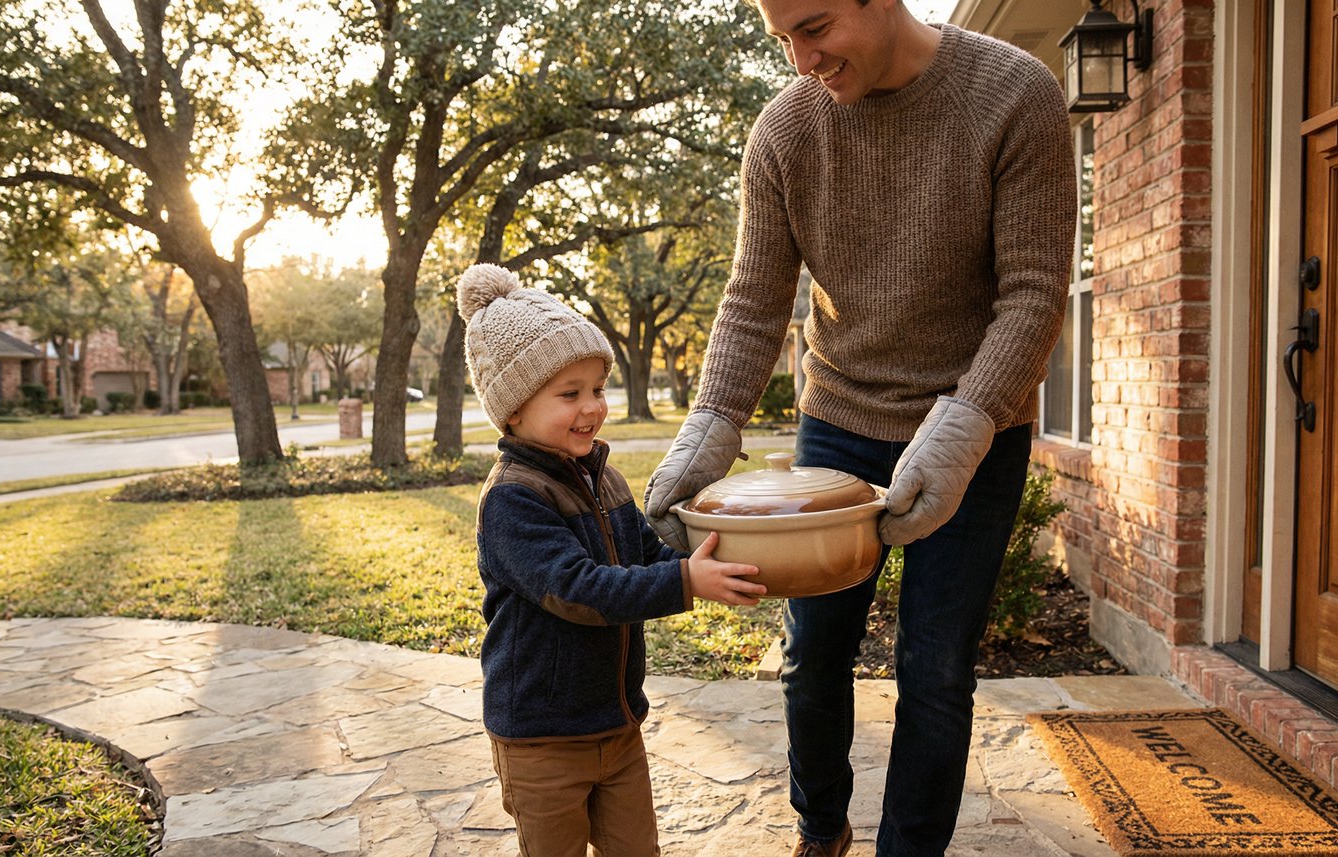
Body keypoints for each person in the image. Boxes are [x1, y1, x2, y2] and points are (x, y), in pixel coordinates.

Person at [641, 0, 1077, 852]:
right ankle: (821, 825)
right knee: (813, 652)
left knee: (936, 669)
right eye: (784, 40)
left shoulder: (1016, 94)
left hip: (973, 426)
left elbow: (1032, 294)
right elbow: (752, 303)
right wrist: (710, 429)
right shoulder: (784, 132)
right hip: (838, 419)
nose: (803, 58)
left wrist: (964, 426)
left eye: (816, 27)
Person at [457, 263, 766, 857]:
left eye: (597, 389)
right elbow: (580, 590)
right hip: (542, 740)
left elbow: (647, 553)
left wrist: (725, 548)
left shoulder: (606, 479)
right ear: (513, 408)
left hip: (617, 725)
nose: (591, 407)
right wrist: (685, 582)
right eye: (568, 394)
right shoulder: (512, 499)